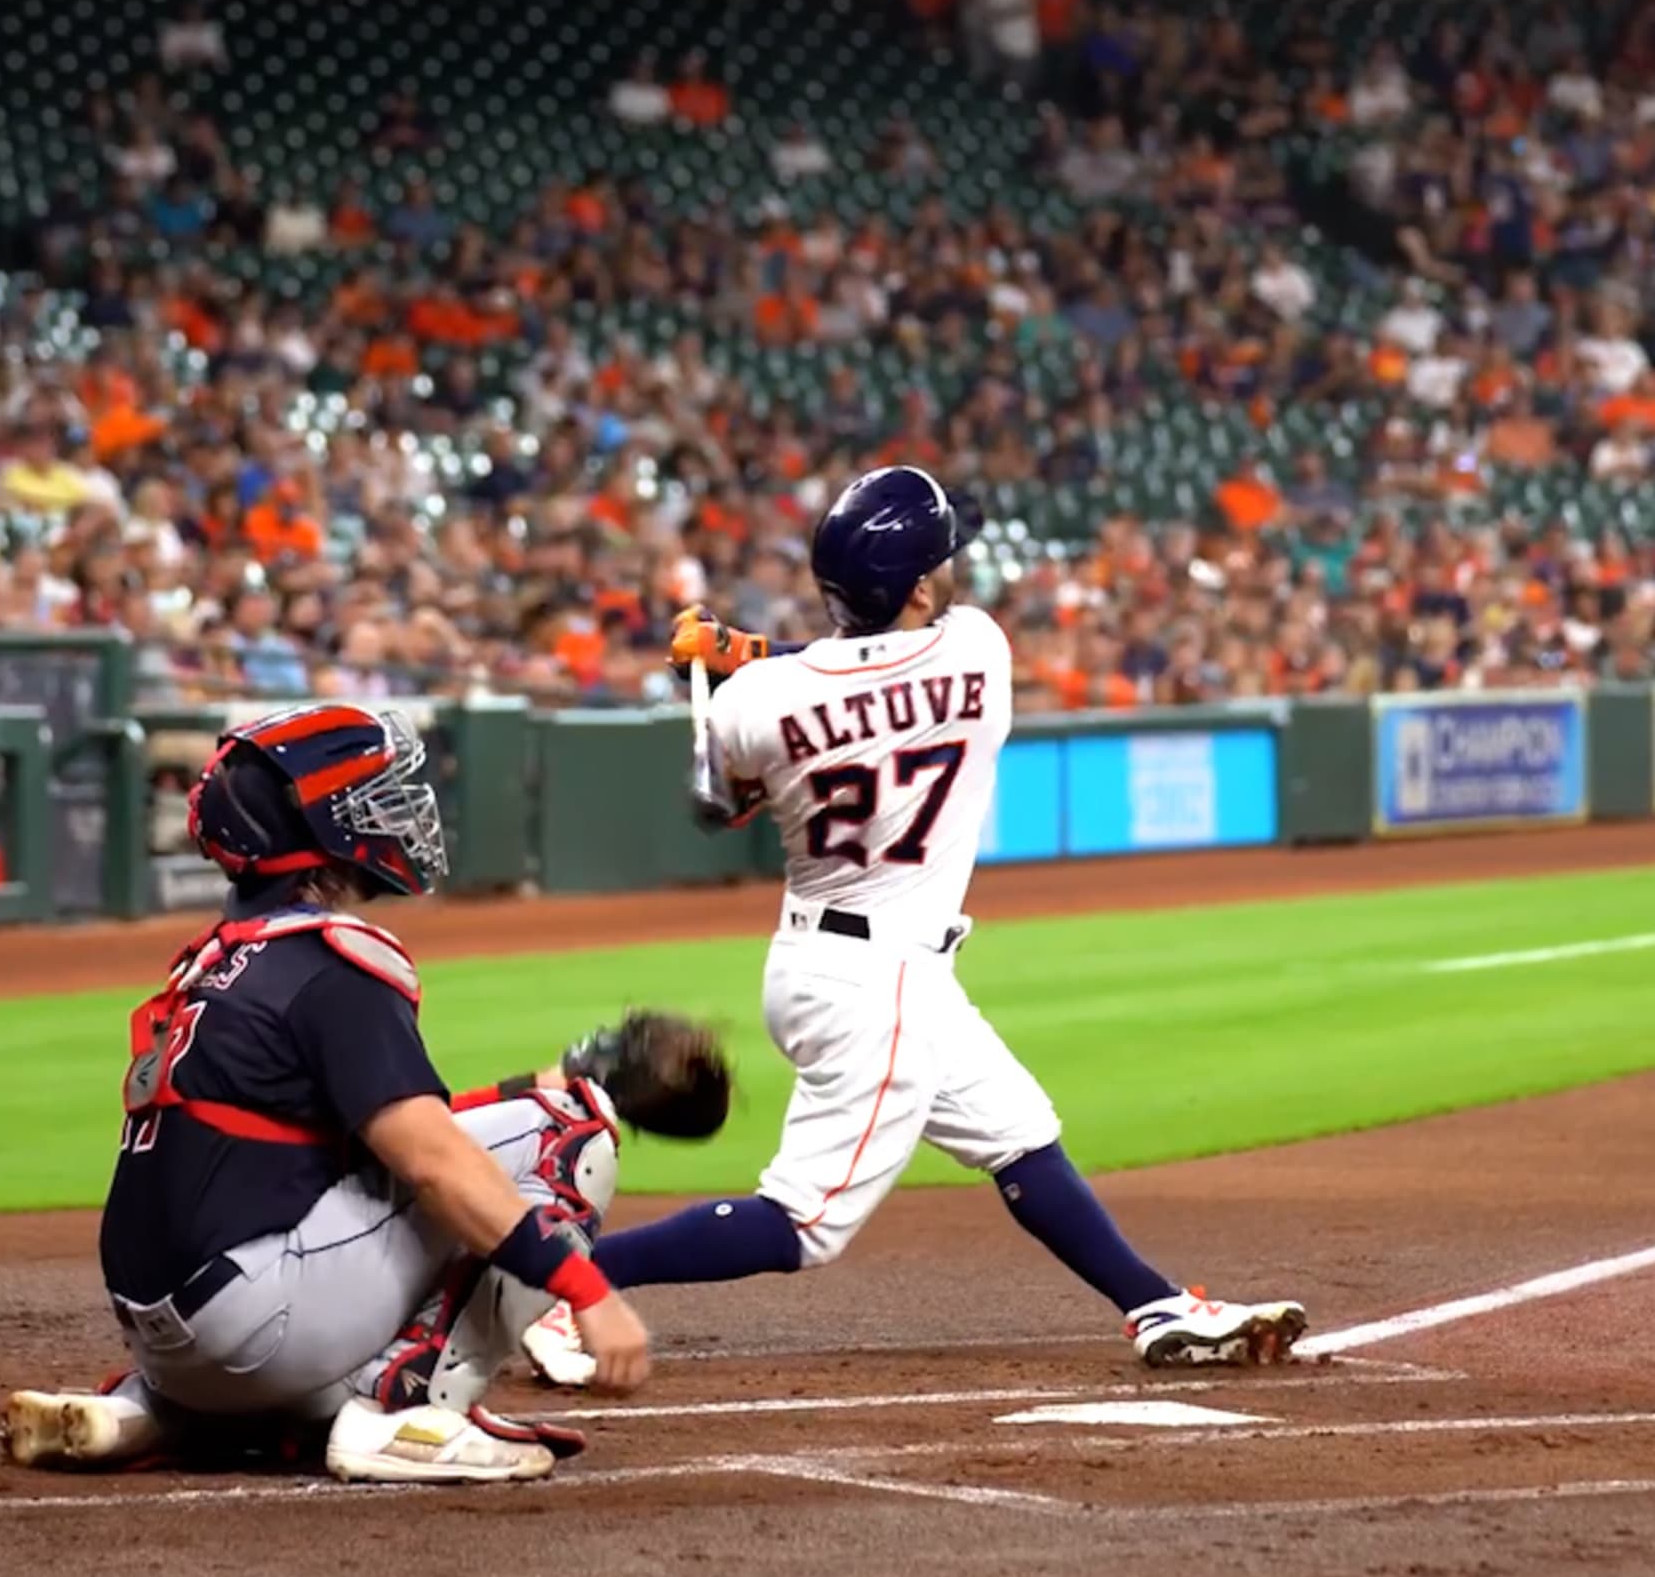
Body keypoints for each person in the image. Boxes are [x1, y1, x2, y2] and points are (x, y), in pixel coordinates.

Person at [523, 466, 1307, 1387]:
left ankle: (1155, 1306)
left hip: (836, 961)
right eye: (941, 564)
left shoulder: (750, 705)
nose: (952, 577)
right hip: (877, 986)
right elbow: (868, 667)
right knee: (803, 1225)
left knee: (1018, 1133)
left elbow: (736, 793)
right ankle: (566, 1284)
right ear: (922, 588)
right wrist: (754, 649)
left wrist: (739, 655)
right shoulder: (980, 650)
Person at [1, 704, 722, 1485]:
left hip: (171, 1342)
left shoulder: (219, 961)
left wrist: (527, 1085)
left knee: (497, 1132)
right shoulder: (331, 962)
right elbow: (433, 1163)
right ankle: (405, 1411)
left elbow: (372, 1133)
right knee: (569, 1131)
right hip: (255, 1327)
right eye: (373, 797)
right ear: (315, 823)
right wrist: (586, 1290)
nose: (399, 810)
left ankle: (158, 1413)